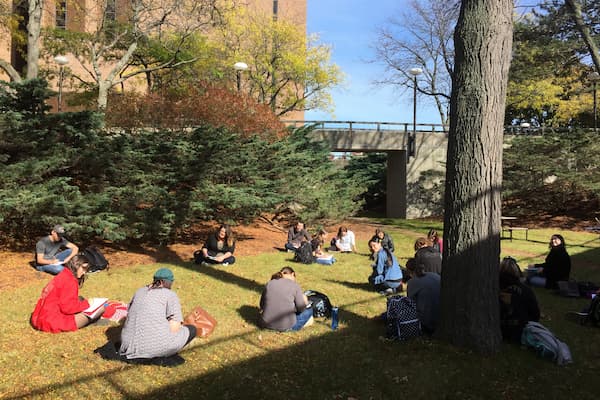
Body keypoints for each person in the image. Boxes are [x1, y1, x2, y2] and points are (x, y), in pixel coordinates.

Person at [119, 268, 197, 361]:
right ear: (163, 282)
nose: (171, 285)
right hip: (153, 349)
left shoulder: (139, 291)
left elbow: (130, 314)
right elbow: (174, 328)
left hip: (125, 345)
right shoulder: (170, 295)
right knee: (191, 329)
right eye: (170, 283)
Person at [31, 254, 98, 332]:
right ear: (76, 265)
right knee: (101, 308)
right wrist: (88, 303)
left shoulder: (63, 274)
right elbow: (68, 308)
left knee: (80, 299)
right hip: (51, 322)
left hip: (39, 318)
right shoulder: (71, 281)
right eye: (83, 268)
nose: (84, 272)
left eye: (86, 270)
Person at [259, 266, 314, 331]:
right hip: (285, 326)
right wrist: (305, 301)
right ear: (292, 274)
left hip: (265, 324)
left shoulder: (270, 283)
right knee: (309, 310)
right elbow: (301, 309)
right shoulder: (295, 285)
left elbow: (262, 305)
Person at [500, 257, 540, 342]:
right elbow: (535, 315)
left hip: (501, 329)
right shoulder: (526, 290)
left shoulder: (492, 288)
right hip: (521, 331)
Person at [405, 258, 441, 334]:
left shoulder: (412, 282)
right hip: (442, 317)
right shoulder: (435, 276)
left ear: (409, 271)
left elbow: (409, 303)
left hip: (427, 322)